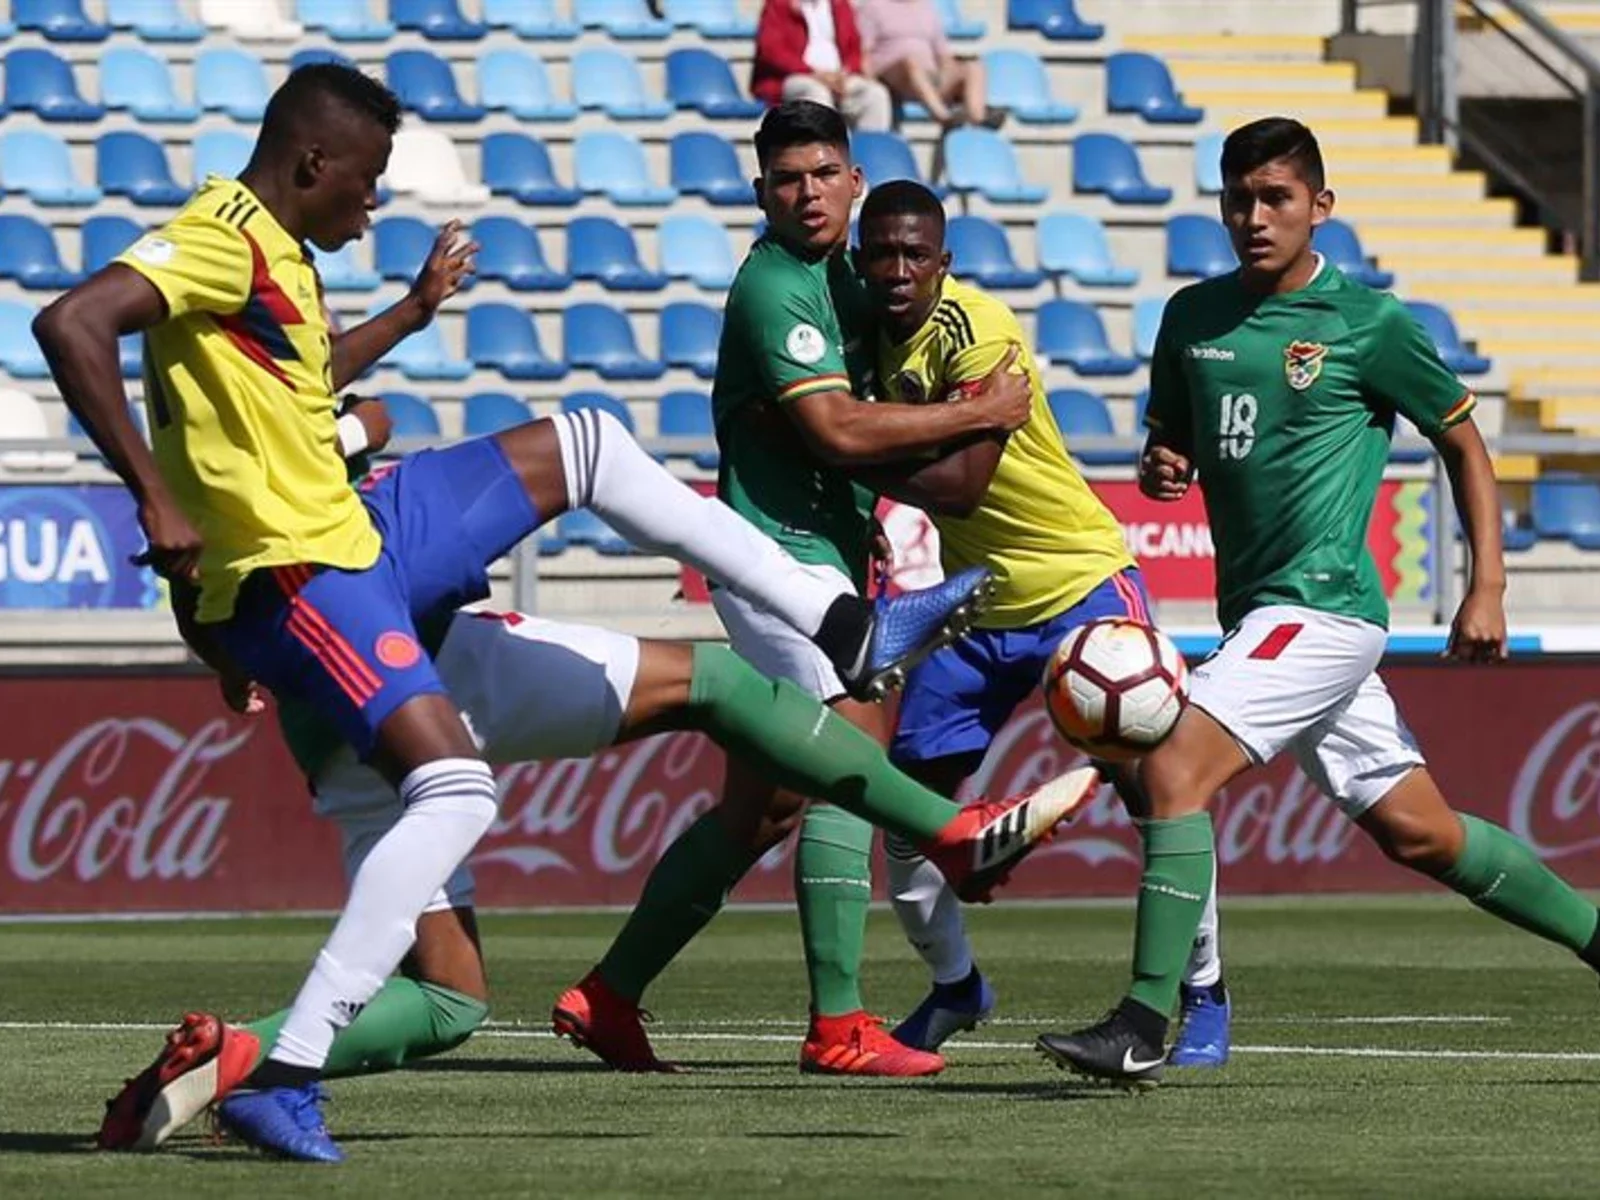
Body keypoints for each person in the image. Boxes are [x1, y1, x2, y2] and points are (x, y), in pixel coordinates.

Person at [31, 64, 1069, 1163]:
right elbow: (76, 320)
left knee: (596, 457)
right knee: (455, 793)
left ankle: (854, 647)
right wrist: (155, 500)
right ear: (311, 165)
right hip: (315, 579)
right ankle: (287, 1069)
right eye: (370, 182)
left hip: (369, 544)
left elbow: (288, 385)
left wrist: (403, 330)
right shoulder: (220, 231)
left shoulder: (277, 250)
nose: (375, 204)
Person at [1035, 117, 1600, 1089]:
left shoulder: (1366, 324)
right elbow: (1174, 441)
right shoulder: (1191, 319)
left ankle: (1142, 1019)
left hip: (1326, 605)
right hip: (1258, 613)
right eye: (1237, 200)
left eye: (1276, 199)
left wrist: (1487, 586)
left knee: (1165, 766)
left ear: (1320, 208)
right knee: (1419, 831)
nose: (1253, 217)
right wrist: (1164, 462)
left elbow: (1462, 441)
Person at [552, 102, 1102, 1078]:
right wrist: (974, 412)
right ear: (761, 192)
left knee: (760, 809)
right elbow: (840, 434)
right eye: (786, 178)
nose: (806, 192)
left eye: (822, 174)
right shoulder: (774, 287)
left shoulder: (852, 281)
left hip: (823, 561)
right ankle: (839, 1024)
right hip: (775, 557)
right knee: (851, 741)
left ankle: (607, 994)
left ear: (853, 181)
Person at [797, 179, 1227, 1068]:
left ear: (944, 262)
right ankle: (957, 987)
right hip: (979, 602)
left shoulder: (978, 331)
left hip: (1080, 581)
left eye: (918, 254)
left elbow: (960, 486)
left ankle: (1202, 993)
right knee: (908, 815)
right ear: (861, 260)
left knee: (1156, 788)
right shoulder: (858, 340)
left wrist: (842, 449)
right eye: (882, 253)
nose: (900, 269)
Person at [751, 0, 893, 133]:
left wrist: (845, 73)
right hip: (796, 77)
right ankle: (826, 152)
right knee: (816, 92)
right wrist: (814, 74)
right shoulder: (780, 5)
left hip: (839, 77)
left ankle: (870, 154)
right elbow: (771, 51)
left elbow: (853, 47)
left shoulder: (839, 5)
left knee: (875, 95)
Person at [856, 0, 995, 129]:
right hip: (893, 75)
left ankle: (978, 118)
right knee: (910, 62)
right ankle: (944, 117)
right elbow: (863, 52)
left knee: (974, 67)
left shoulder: (926, 7)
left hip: (927, 76)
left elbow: (943, 54)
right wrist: (870, 82)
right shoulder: (872, 7)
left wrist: (947, 73)